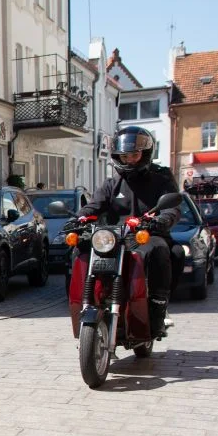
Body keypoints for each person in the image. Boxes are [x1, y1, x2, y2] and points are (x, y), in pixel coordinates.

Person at [76, 125, 179, 335]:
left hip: (148, 234)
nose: (130, 160)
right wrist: (80, 218)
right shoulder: (112, 183)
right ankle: (87, 298)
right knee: (80, 248)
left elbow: (172, 208)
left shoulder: (161, 177)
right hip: (116, 237)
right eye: (125, 156)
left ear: (145, 153)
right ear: (118, 157)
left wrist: (161, 220)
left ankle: (158, 308)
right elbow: (94, 205)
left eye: (134, 154)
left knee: (167, 251)